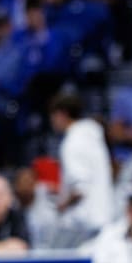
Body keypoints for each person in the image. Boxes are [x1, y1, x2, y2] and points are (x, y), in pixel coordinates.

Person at [49, 92, 114, 245]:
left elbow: (80, 189)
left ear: (62, 114)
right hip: (104, 217)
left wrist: (61, 204)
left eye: (52, 116)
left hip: (84, 226)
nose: (52, 121)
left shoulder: (72, 142)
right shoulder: (93, 136)